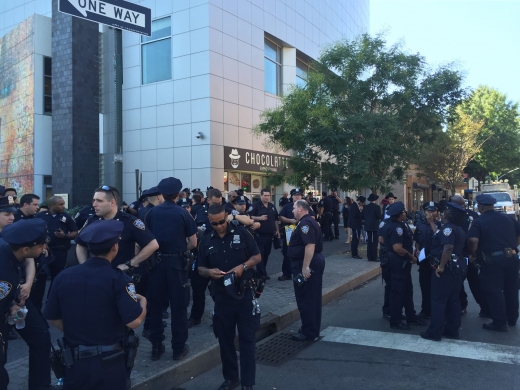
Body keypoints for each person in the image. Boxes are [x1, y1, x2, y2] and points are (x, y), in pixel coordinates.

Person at [44, 220, 147, 389]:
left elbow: (52, 317)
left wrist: (79, 332)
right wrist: (143, 301)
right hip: (109, 362)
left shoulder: (63, 276)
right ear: (115, 247)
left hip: (74, 362)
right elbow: (134, 321)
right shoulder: (119, 279)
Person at [75, 186, 158, 340]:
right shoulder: (92, 220)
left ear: (112, 202)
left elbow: (153, 244)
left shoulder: (130, 222)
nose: (94, 204)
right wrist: (84, 266)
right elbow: (80, 244)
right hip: (94, 280)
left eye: (99, 201)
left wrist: (130, 263)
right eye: (93, 200)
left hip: (120, 280)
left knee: (122, 324)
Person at [198, 204, 261, 390]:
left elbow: (257, 256)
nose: (218, 226)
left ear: (227, 216)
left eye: (221, 221)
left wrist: (244, 266)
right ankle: (231, 378)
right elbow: (200, 268)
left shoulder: (241, 233)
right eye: (214, 223)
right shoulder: (206, 239)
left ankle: (248, 383)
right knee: (225, 339)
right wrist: (209, 271)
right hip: (222, 297)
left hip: (244, 294)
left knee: (247, 339)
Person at [145, 177, 197, 360]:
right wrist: (181, 248)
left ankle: (156, 346)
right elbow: (193, 242)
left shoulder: (152, 213)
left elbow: (146, 240)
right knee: (179, 308)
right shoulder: (183, 214)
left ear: (161, 194)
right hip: (177, 265)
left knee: (156, 307)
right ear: (178, 194)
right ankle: (178, 348)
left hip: (156, 264)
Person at [0, 219, 53, 390]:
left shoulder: (13, 252)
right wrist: (9, 308)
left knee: (41, 337)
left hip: (12, 301)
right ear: (25, 249)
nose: (44, 248)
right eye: (41, 246)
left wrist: (13, 304)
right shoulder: (4, 272)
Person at [467, 194, 520, 332]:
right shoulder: (508, 218)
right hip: (512, 257)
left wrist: (474, 255)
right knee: (511, 289)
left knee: (494, 290)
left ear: (481, 207)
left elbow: (473, 240)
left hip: (493, 260)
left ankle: (500, 322)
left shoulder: (479, 221)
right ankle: (512, 318)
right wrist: (513, 247)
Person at [420, 202, 467, 341]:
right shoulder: (455, 228)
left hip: (447, 269)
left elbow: (447, 248)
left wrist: (440, 267)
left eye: (446, 211)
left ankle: (435, 332)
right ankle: (452, 330)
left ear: (449, 214)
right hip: (456, 267)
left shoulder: (449, 229)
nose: (443, 213)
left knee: (439, 300)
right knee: (453, 300)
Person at [383, 202, 426, 330]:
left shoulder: (400, 225)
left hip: (402, 263)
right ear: (398, 214)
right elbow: (397, 248)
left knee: (407, 290)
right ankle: (395, 320)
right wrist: (411, 256)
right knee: (398, 292)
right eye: (403, 212)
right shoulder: (396, 228)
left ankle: (411, 316)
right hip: (398, 262)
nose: (405, 213)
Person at [288, 200, 325, 341]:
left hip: (307, 263)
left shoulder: (305, 224)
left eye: (294, 208)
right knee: (311, 298)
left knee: (306, 298)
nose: (292, 211)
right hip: (311, 262)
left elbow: (310, 245)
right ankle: (311, 330)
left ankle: (308, 331)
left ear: (300, 209)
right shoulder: (308, 221)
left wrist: (305, 267)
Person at [451, 195, 488, 317]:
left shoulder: (454, 216)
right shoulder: (474, 215)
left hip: (463, 254)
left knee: (464, 283)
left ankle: (468, 306)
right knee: (471, 283)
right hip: (468, 254)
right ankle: (483, 308)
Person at [35, 196, 78, 284]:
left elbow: (75, 232)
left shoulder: (66, 217)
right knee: (41, 275)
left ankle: (52, 296)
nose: (63, 206)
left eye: (63, 204)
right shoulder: (40, 216)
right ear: (52, 205)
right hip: (44, 251)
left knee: (57, 277)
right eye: (60, 204)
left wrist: (65, 235)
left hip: (59, 251)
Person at [279, 189, 315, 281]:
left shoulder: (306, 206)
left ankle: (301, 270)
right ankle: (286, 273)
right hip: (289, 232)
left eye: (299, 195)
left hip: (303, 233)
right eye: (295, 195)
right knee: (287, 252)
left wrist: (302, 221)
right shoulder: (287, 206)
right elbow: (281, 217)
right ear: (292, 196)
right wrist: (291, 221)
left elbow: (313, 216)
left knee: (302, 251)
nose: (297, 196)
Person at [413, 202, 441, 319]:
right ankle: (425, 310)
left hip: (436, 260)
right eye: (427, 211)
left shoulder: (441, 225)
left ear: (437, 212)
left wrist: (431, 223)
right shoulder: (420, 225)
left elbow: (439, 237)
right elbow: (417, 240)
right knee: (425, 286)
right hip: (424, 260)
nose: (430, 213)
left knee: (436, 288)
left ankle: (437, 312)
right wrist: (417, 250)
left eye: (432, 211)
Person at [248, 188, 280, 280]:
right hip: (259, 236)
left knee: (266, 254)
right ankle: (262, 273)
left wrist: (277, 230)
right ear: (261, 196)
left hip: (269, 236)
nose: (267, 197)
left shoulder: (271, 206)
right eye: (265, 195)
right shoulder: (255, 206)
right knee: (260, 254)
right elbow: (248, 216)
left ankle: (262, 272)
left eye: (268, 195)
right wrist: (259, 218)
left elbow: (275, 219)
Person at [362, 194, 382, 262]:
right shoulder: (377, 207)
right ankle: (374, 257)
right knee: (374, 242)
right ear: (375, 200)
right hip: (374, 226)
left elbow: (363, 216)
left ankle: (369, 256)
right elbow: (379, 216)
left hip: (367, 225)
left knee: (369, 241)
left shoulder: (366, 207)